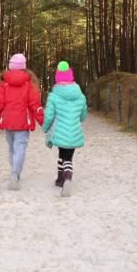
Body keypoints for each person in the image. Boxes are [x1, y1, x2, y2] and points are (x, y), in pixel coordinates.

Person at [0, 54, 44, 191]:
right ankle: (15, 174)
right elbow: (35, 105)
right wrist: (43, 122)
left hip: (7, 121)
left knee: (12, 149)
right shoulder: (29, 85)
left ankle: (14, 173)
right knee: (20, 148)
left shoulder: (4, 84)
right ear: (24, 67)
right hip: (23, 122)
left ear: (10, 66)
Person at [42, 61, 88, 197]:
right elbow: (83, 115)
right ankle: (62, 178)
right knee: (68, 156)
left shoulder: (53, 96)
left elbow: (49, 115)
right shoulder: (80, 96)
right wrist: (76, 119)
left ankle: (65, 177)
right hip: (74, 131)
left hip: (59, 132)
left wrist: (45, 127)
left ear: (57, 78)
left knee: (62, 155)